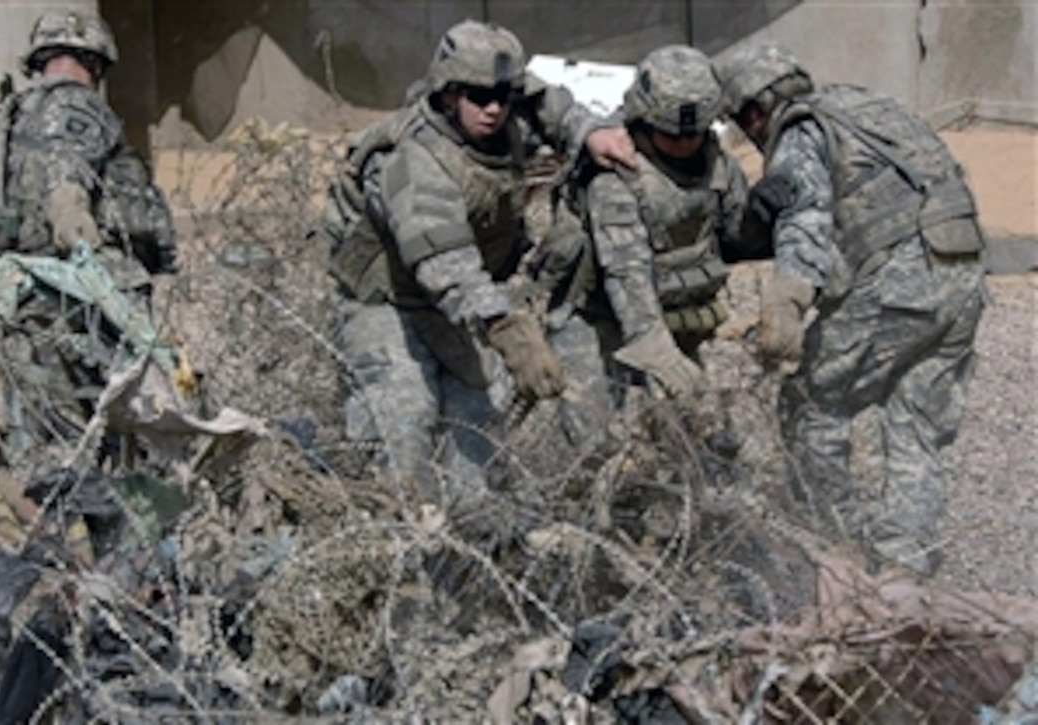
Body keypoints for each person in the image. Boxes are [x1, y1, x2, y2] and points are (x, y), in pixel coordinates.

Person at [324, 19, 636, 501]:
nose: (494, 108)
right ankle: (402, 547)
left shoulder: (506, 116)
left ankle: (473, 545)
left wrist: (591, 131)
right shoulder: (412, 157)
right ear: (448, 94)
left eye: (503, 96)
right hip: (389, 304)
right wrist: (505, 326)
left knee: (480, 434)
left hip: (463, 305)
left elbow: (549, 104)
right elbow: (443, 258)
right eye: (478, 96)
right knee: (405, 431)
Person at [715, 42, 987, 576]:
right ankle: (903, 567)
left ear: (752, 111)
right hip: (963, 280)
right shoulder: (867, 106)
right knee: (914, 425)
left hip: (899, 285)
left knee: (812, 402)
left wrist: (787, 302)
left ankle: (828, 550)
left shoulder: (799, 131)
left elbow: (805, 218)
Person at [0, 8, 179, 464]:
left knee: (53, 437)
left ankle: (69, 523)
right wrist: (83, 248)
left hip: (22, 289)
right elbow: (67, 177)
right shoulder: (74, 104)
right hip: (87, 289)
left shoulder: (5, 118)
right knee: (132, 420)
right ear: (96, 62)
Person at [536, 45, 763, 446]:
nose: (685, 143)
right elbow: (628, 274)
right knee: (590, 445)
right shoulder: (616, 175)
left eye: (695, 133)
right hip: (595, 319)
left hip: (674, 314)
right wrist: (654, 348)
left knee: (697, 438)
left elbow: (734, 237)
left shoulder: (720, 166)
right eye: (673, 134)